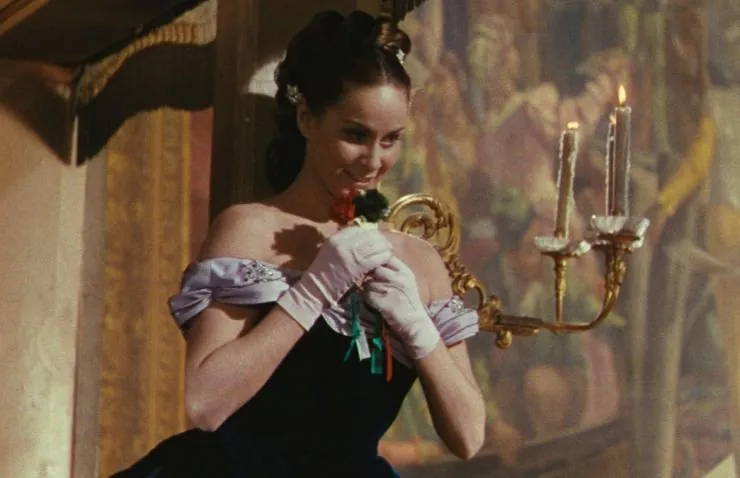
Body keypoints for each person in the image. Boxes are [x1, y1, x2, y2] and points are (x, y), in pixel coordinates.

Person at [113, 10, 485, 478]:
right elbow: (204, 404)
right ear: (307, 118)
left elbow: (469, 437)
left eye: (391, 140)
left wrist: (417, 327)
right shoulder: (249, 230)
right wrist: (312, 291)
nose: (373, 160)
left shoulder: (421, 262)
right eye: (355, 135)